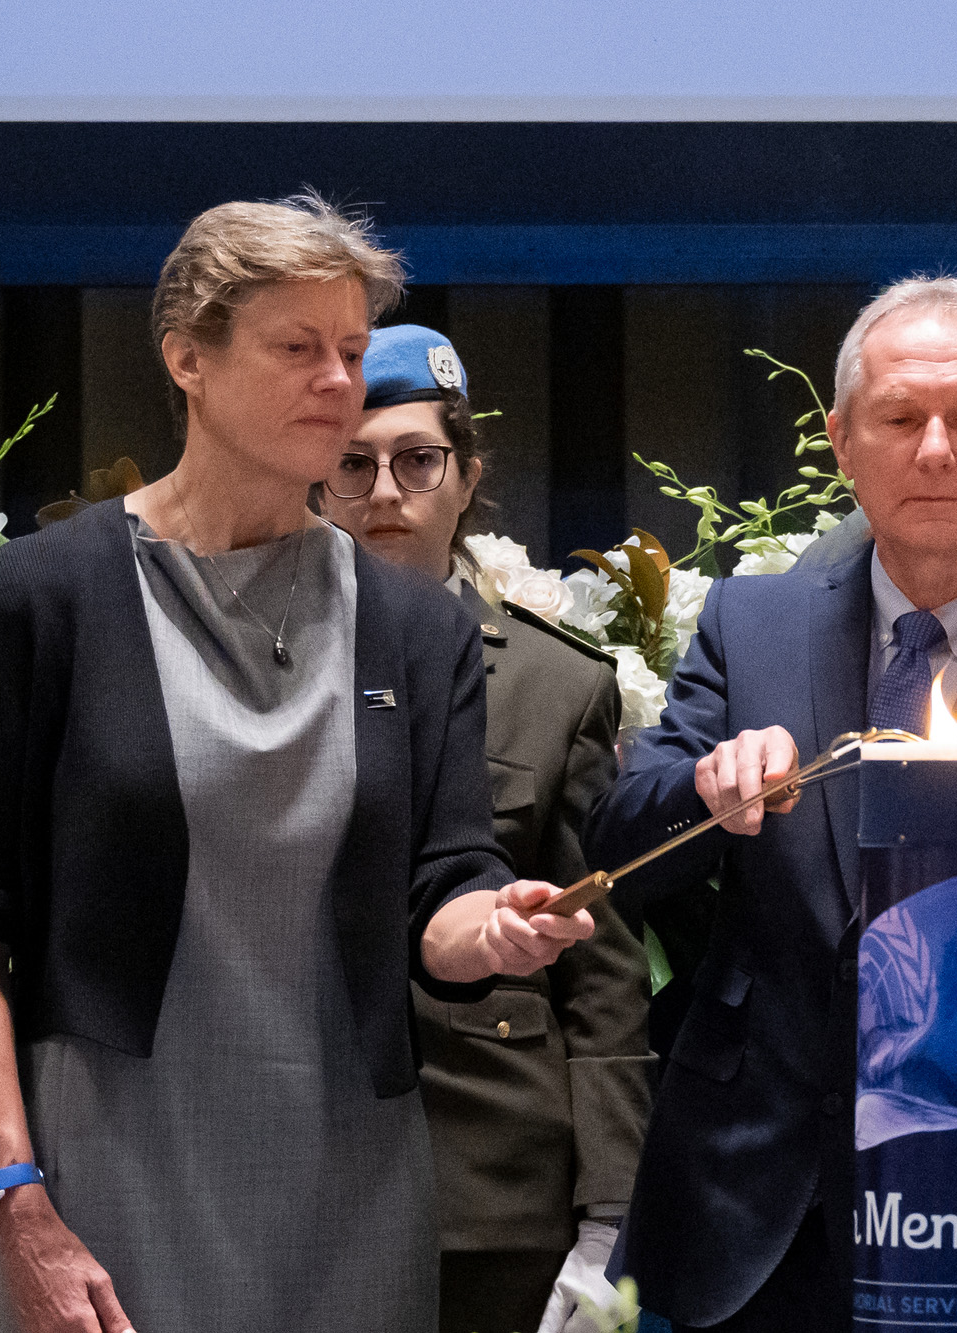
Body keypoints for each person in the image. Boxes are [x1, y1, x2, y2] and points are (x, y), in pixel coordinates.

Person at [0, 196, 594, 1333]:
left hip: (353, 1188)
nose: (338, 381)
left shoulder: (417, 629)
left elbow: (444, 891)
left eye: (353, 352)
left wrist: (497, 925)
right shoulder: (44, 597)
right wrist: (12, 1195)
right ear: (187, 360)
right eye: (296, 348)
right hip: (97, 1181)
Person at [584, 276, 957, 1331]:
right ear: (841, 441)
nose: (935, 450)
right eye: (900, 418)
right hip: (743, 1211)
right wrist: (703, 789)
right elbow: (620, 844)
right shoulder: (751, 622)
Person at [317, 323, 653, 1333]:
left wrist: (607, 1222)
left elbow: (604, 967)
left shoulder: (558, 685)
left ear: (465, 477)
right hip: (296, 1163)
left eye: (417, 459)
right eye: (351, 462)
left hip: (488, 1172)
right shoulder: (261, 662)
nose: (384, 490)